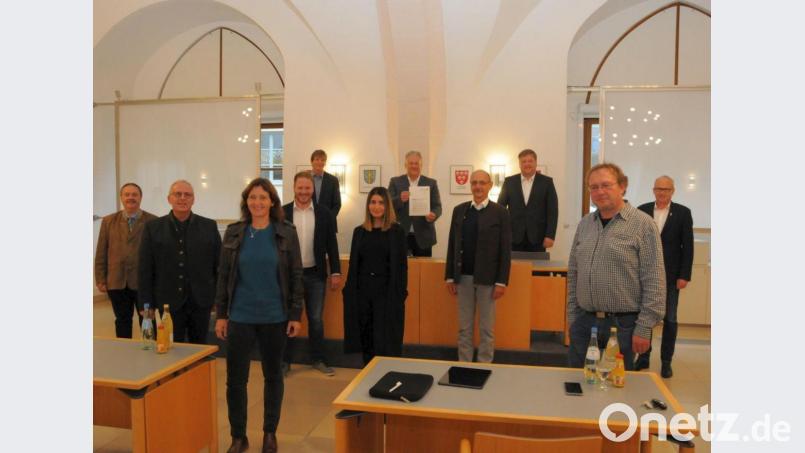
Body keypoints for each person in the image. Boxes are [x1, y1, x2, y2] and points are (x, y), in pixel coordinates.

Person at [214, 178, 304, 453]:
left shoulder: (286, 232)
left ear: (272, 202)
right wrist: (221, 314)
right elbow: (224, 276)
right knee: (235, 380)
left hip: (275, 317)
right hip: (240, 316)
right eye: (252, 198)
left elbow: (296, 275)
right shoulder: (233, 233)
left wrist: (295, 314)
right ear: (246, 202)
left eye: (263, 198)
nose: (257, 202)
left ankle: (269, 433)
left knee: (273, 376)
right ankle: (238, 437)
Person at [567, 163, 665, 371]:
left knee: (618, 390)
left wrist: (645, 327)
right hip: (585, 322)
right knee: (577, 384)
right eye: (593, 187)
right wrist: (573, 318)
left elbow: (654, 279)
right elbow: (574, 273)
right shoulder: (585, 224)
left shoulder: (643, 225)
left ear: (623, 186)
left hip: (624, 326)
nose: (599, 191)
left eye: (606, 185)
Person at [138, 180, 221, 344]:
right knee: (170, 346)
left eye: (187, 195)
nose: (182, 198)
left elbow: (218, 266)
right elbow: (145, 269)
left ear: (193, 199)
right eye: (178, 194)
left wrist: (218, 300)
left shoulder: (209, 226)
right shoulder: (153, 228)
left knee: (199, 347)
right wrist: (145, 304)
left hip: (201, 300)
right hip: (167, 301)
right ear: (169, 199)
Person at [445, 170, 512, 363]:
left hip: (489, 280)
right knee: (464, 328)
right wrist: (450, 276)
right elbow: (452, 244)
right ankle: (464, 365)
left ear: (490, 185)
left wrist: (502, 281)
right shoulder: (460, 210)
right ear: (470, 186)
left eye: (482, 183)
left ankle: (484, 367)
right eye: (474, 183)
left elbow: (505, 250)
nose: (478, 187)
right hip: (463, 278)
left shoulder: (501, 212)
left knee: (486, 330)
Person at [282, 171, 342, 377]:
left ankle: (318, 359)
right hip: (289, 277)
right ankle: (284, 361)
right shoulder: (281, 213)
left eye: (308, 188)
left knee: (316, 319)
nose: (304, 191)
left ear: (313, 189)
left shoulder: (325, 213)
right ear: (294, 187)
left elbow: (332, 245)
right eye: (300, 187)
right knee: (288, 318)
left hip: (316, 275)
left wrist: (335, 271)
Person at [636, 175, 694, 378]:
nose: (662, 192)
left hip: (671, 276)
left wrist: (684, 275)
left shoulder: (683, 213)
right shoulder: (641, 210)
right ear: (653, 190)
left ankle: (666, 362)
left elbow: (688, 247)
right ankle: (643, 358)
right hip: (644, 274)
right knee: (645, 317)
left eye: (666, 189)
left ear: (673, 191)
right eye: (658, 188)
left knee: (670, 319)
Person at [342, 187, 408, 365]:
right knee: (366, 339)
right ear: (368, 205)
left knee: (384, 341)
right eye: (373, 202)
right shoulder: (359, 232)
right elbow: (354, 264)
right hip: (363, 293)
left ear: (387, 206)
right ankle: (367, 376)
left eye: (380, 202)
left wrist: (400, 294)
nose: (376, 206)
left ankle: (386, 378)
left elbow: (402, 267)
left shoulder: (397, 232)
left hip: (386, 293)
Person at [95, 183, 157, 338]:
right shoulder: (109, 221)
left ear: (140, 198)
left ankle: (150, 351)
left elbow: (157, 255)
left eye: (134, 194)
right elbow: (102, 251)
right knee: (122, 320)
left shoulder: (153, 221)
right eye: (127, 194)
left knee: (148, 319)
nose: (131, 198)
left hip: (144, 283)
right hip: (117, 281)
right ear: (121, 197)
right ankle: (124, 353)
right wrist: (100, 278)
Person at [497, 149, 558, 252]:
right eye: (523, 161)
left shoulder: (547, 182)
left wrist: (550, 235)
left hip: (538, 237)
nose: (527, 164)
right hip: (513, 237)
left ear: (536, 162)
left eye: (530, 161)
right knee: (514, 267)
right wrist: (501, 233)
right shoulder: (509, 182)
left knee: (537, 267)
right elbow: (500, 209)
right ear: (519, 164)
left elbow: (553, 211)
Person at [388, 150, 443, 257]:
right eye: (411, 163)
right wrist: (400, 199)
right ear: (405, 165)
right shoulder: (395, 182)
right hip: (400, 234)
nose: (414, 166)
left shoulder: (431, 183)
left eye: (416, 163)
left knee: (424, 270)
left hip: (424, 235)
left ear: (421, 165)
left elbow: (437, 206)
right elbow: (387, 204)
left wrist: (434, 214)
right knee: (400, 269)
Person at [310, 149, 342, 231]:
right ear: (311, 161)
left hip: (328, 223)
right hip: (308, 221)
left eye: (322, 160)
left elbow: (337, 204)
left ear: (325, 162)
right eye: (317, 159)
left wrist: (328, 218)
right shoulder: (305, 178)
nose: (320, 162)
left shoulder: (333, 180)